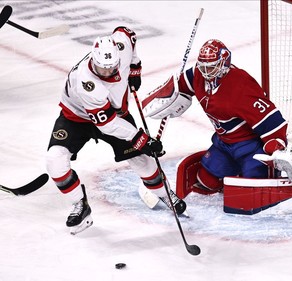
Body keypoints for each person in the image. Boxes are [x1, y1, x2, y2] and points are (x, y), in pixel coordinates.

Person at [45, 26, 186, 235]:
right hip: (77, 117)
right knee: (54, 161)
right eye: (102, 69)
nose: (107, 73)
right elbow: (107, 124)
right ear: (93, 61)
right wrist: (141, 139)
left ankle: (164, 193)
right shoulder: (87, 83)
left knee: (143, 161)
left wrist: (135, 67)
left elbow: (127, 33)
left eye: (112, 68)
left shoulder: (122, 45)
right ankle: (79, 205)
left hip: (114, 114)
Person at [142, 39, 292, 195]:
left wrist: (277, 146)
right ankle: (235, 173)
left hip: (250, 146)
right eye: (202, 66)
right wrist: (171, 95)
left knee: (251, 189)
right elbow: (181, 85)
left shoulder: (241, 86)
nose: (205, 72)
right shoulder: (198, 74)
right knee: (206, 181)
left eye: (211, 67)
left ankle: (257, 173)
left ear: (224, 63)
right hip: (224, 144)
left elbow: (272, 120)